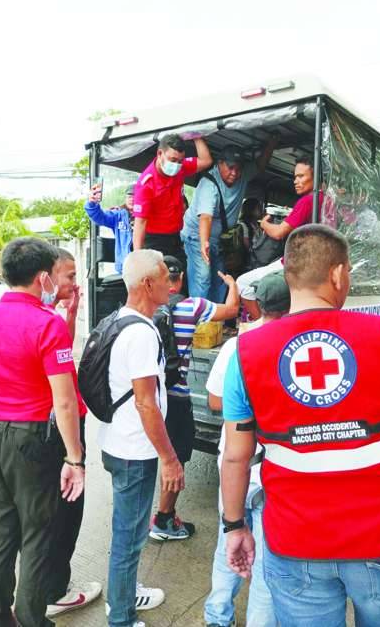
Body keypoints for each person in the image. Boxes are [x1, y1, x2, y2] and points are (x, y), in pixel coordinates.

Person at [219, 225, 380, 626]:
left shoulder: (247, 352)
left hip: (295, 543)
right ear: (339, 274)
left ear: (289, 275)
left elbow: (236, 458)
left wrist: (235, 526)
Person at [0, 237, 99, 627]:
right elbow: (65, 402)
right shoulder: (45, 323)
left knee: (2, 531)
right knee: (38, 533)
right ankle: (33, 619)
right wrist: (75, 458)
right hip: (33, 438)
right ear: (41, 277)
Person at [99, 249, 187, 627]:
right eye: (166, 275)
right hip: (135, 450)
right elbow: (146, 404)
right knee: (129, 538)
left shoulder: (121, 320)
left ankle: (124, 592)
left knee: (127, 532)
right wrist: (169, 458)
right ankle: (120, 616)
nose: (172, 282)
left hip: (117, 440)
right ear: (148, 284)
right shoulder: (140, 334)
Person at [202, 271, 289, 627]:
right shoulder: (297, 346)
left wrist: (245, 405)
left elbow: (214, 400)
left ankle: (217, 618)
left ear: (257, 306)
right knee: (268, 562)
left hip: (235, 467)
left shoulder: (238, 345)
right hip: (274, 470)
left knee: (229, 544)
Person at [148, 255, 239, 542]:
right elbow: (232, 309)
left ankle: (143, 518)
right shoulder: (192, 307)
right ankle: (164, 520)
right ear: (182, 278)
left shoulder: (144, 308)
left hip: (146, 396)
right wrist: (232, 285)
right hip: (176, 397)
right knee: (176, 457)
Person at [182, 139, 276, 301]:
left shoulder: (241, 176)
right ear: (220, 164)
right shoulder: (209, 183)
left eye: (238, 169)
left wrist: (272, 142)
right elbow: (205, 217)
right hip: (197, 236)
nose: (234, 173)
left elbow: (260, 166)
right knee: (203, 277)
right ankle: (199, 320)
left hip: (216, 238)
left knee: (220, 278)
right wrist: (205, 243)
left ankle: (217, 320)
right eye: (230, 167)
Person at [236, 158, 325, 319]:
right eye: (295, 177)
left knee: (242, 284)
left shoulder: (307, 201)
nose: (296, 181)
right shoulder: (326, 200)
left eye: (301, 176)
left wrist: (264, 224)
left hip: (296, 262)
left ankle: (262, 326)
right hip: (314, 262)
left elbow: (279, 233)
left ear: (316, 177)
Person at [132, 133, 212, 263]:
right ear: (159, 154)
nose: (176, 164)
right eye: (173, 160)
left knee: (180, 277)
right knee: (160, 280)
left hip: (175, 237)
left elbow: (206, 160)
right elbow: (140, 223)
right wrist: (137, 259)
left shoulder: (180, 168)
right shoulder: (146, 184)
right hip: (154, 241)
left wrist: (196, 136)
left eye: (180, 161)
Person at [85, 183, 134, 275]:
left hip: (145, 265)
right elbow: (100, 217)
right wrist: (92, 203)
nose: (132, 199)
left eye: (136, 196)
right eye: (129, 196)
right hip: (125, 268)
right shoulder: (118, 214)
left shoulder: (148, 215)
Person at [49, 247, 82, 339]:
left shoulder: (50, 313)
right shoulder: (44, 317)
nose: (74, 283)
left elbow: (65, 348)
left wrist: (72, 313)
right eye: (70, 277)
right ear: (51, 275)